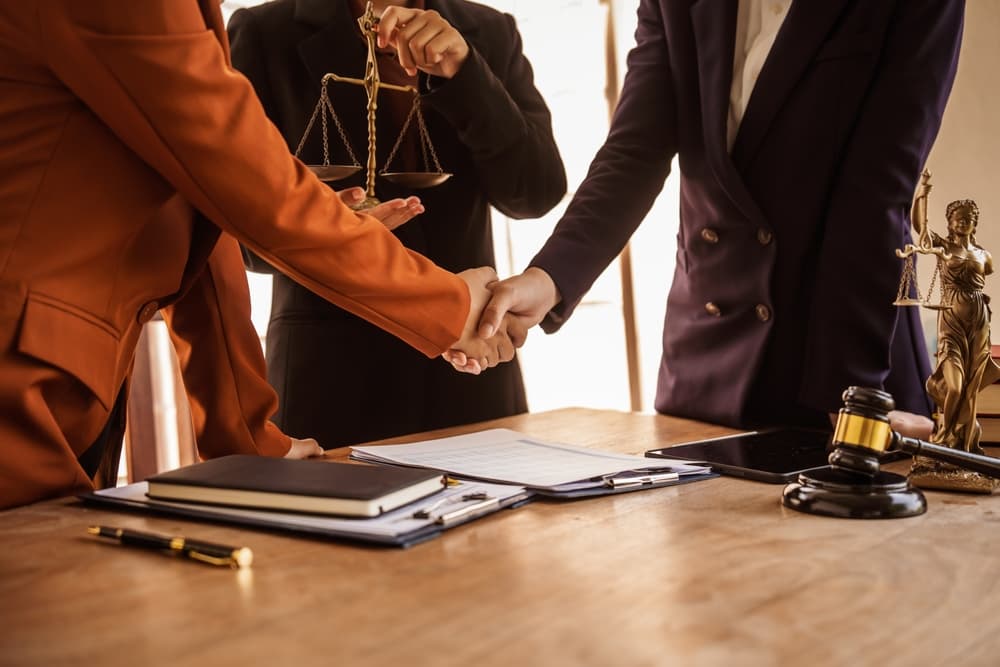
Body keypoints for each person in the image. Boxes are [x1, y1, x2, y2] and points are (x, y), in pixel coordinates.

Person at [0, 0, 517, 510]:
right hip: (22, 379)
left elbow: (208, 209)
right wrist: (448, 303)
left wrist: (246, 436)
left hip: (67, 383)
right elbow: (255, 189)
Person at [479, 0, 966, 436]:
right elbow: (634, 152)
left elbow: (876, 192)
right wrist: (550, 278)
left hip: (839, 360)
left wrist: (852, 392)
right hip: (702, 371)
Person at [228, 0, 566, 448]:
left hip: (471, 368)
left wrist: (466, 74)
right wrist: (321, 230)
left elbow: (536, 191)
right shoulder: (265, 33)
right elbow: (232, 233)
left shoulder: (486, 31)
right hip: (331, 381)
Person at [912, 181, 1000, 453]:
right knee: (954, 385)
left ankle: (962, 444)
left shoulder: (984, 255)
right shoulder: (943, 248)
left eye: (968, 219)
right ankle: (944, 438)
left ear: (974, 224)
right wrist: (922, 196)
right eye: (957, 219)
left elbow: (985, 275)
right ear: (949, 222)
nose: (963, 223)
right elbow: (920, 228)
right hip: (950, 318)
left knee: (972, 385)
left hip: (979, 320)